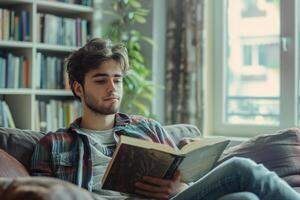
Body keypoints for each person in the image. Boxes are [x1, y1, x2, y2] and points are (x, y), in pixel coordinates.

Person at [31, 38, 300, 200]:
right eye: (101, 81)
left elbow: (182, 179)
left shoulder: (146, 128)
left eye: (117, 80)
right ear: (78, 88)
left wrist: (179, 187)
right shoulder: (54, 144)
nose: (112, 88)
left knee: (244, 198)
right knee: (243, 169)